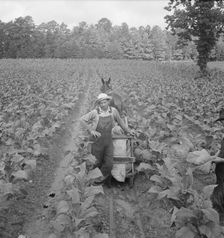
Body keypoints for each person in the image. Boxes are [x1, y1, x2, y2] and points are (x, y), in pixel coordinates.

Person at [80, 93, 133, 187]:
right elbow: (82, 120)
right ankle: (93, 183)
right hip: (97, 142)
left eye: (104, 102)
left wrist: (128, 131)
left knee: (109, 164)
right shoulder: (95, 112)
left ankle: (98, 180)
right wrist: (91, 130)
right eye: (101, 103)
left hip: (108, 141)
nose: (103, 104)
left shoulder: (113, 111)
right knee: (97, 163)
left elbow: (120, 122)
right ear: (98, 104)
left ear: (108, 102)